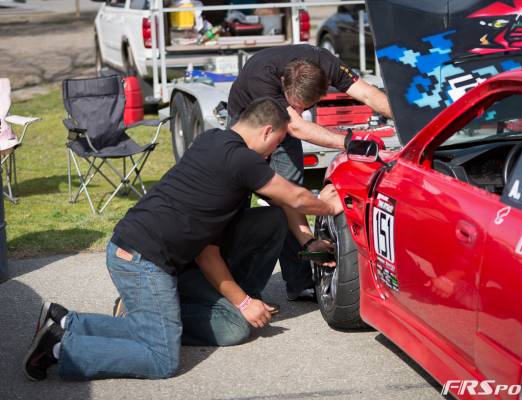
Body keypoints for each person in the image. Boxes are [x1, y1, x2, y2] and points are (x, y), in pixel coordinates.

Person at [23, 98, 343, 381]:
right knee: (160, 357)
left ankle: (63, 320)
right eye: (278, 142)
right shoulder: (242, 161)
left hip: (141, 250)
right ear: (267, 132)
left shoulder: (212, 140)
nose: (275, 151)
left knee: (272, 218)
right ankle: (61, 349)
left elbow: (213, 249)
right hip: (142, 261)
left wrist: (243, 301)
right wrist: (329, 204)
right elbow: (296, 197)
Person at [227, 44, 391, 301]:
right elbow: (298, 128)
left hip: (287, 121)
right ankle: (231, 286)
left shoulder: (326, 64)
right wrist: (348, 142)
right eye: (298, 106)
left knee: (290, 193)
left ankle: (299, 281)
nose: (303, 111)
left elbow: (369, 95)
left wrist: (407, 122)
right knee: (236, 201)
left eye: (307, 107)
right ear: (285, 88)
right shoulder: (263, 77)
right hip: (247, 119)